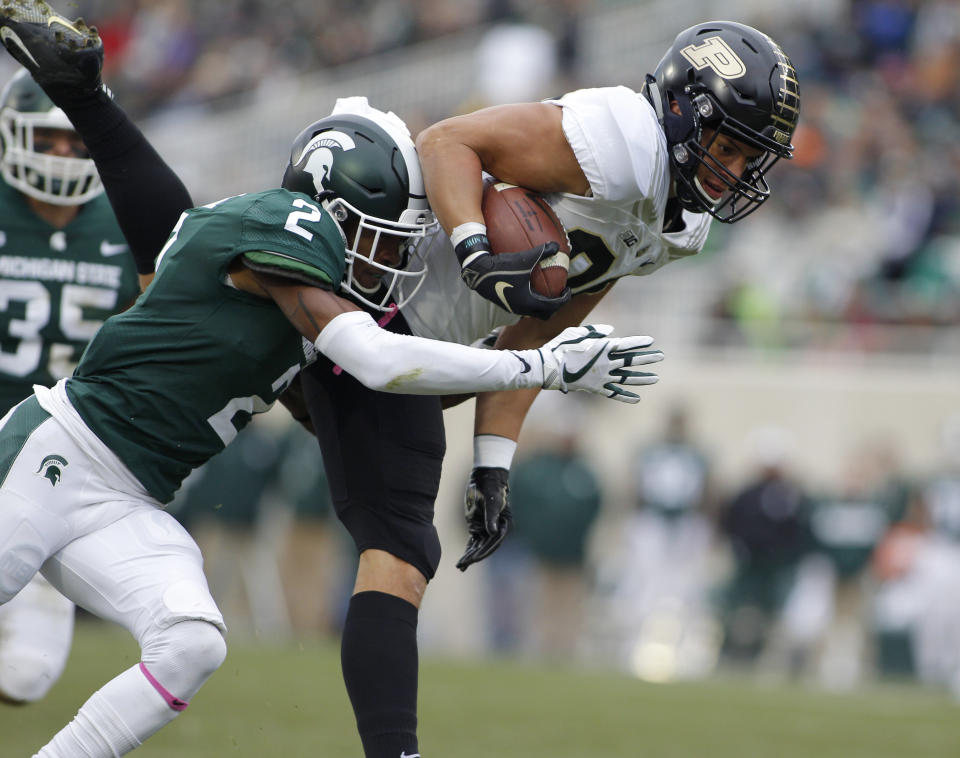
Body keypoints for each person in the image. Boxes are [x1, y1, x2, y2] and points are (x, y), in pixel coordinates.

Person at [0, 5, 798, 756]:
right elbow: (446, 154)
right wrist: (478, 252)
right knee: (393, 533)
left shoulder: (680, 223)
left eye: (746, 157)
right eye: (727, 146)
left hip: (169, 468)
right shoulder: (608, 139)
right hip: (94, 441)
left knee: (187, 635)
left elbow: (543, 320)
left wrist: (494, 458)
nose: (734, 171)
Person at [0, 67, 139, 705]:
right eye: (46, 139)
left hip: (59, 457)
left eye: (74, 140)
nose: (61, 154)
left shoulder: (128, 221)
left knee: (25, 676)